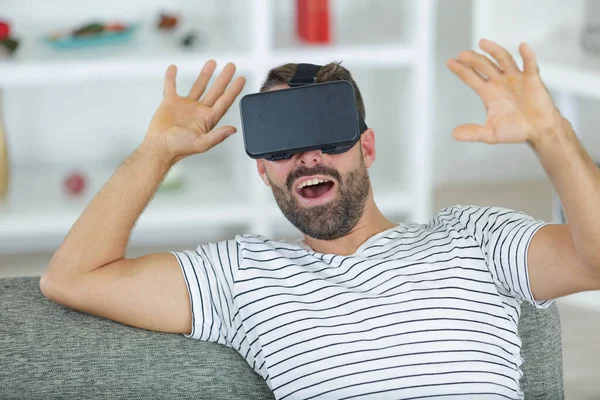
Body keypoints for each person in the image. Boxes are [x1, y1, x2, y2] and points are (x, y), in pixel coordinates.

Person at [40, 39, 600, 400]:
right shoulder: (242, 275)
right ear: (264, 173)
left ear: (368, 148)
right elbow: (72, 278)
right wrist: (157, 151)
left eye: (327, 135)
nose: (308, 157)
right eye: (284, 145)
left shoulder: (473, 237)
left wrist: (552, 136)